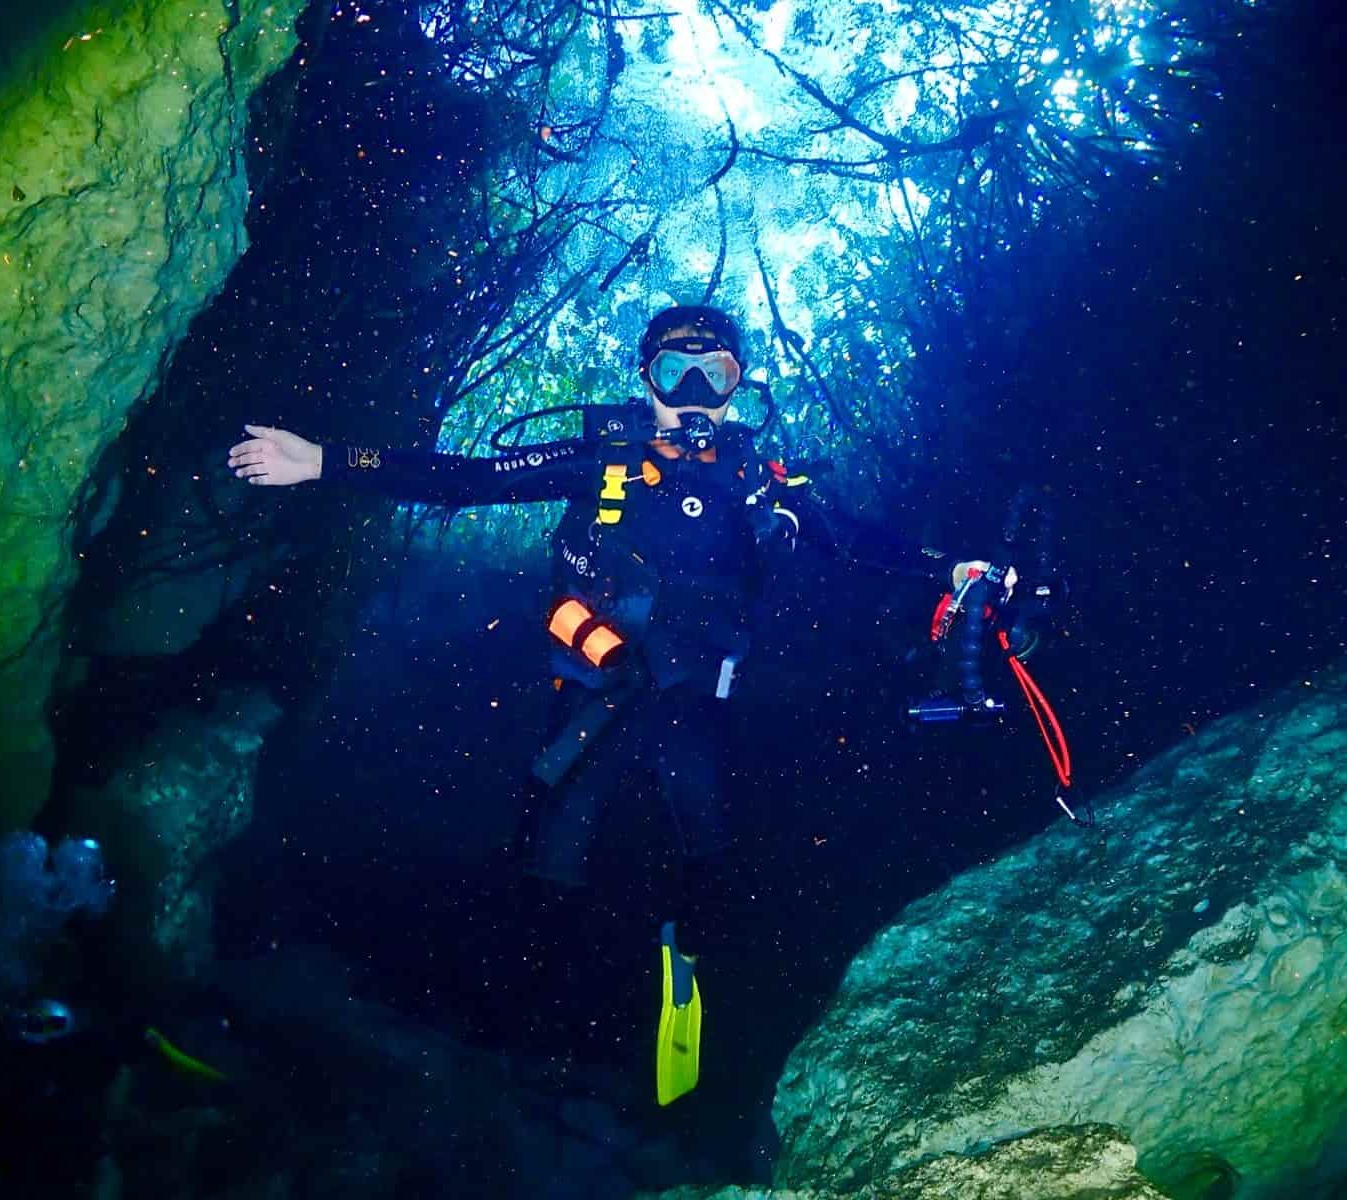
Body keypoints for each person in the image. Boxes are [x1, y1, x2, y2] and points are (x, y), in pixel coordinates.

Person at [228, 304, 1016, 1101]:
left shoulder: (761, 482)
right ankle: (516, 1021)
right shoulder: (603, 459)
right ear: (646, 381)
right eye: (677, 373)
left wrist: (951, 569)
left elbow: (853, 540)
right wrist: (325, 460)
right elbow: (469, 478)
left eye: (715, 374)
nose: (696, 392)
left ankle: (681, 988)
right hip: (598, 691)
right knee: (552, 851)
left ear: (739, 386)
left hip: (695, 697)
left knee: (707, 847)